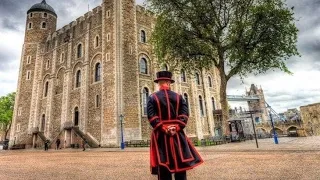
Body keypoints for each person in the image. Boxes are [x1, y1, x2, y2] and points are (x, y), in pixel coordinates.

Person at [147, 71, 203, 180]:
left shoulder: (152, 97)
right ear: (169, 82)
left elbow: (152, 117)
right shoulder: (179, 97)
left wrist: (164, 128)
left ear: (159, 82)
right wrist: (176, 127)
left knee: (163, 167)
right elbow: (184, 115)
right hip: (177, 135)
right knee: (180, 165)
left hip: (161, 136)